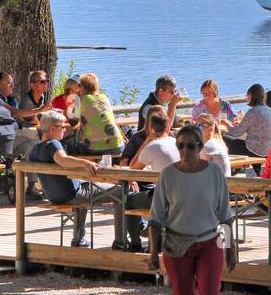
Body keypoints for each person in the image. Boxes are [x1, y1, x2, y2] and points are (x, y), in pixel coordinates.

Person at [149, 124, 235, 295]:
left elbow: (226, 216)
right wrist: (153, 253)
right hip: (176, 246)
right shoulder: (168, 176)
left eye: (191, 145)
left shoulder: (214, 174)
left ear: (201, 148)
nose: (185, 151)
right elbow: (155, 219)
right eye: (181, 146)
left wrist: (232, 251)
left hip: (209, 241)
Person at [28, 110, 127, 249]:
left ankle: (79, 240)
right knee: (120, 192)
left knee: (86, 185)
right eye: (63, 127)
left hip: (53, 195)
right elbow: (62, 159)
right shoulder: (53, 144)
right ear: (52, 128)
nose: (65, 130)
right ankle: (120, 242)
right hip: (73, 194)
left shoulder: (35, 150)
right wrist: (85, 163)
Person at [128, 111, 182, 251]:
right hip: (181, 194)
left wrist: (146, 141)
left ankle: (135, 243)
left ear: (151, 128)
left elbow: (132, 169)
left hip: (162, 198)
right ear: (167, 128)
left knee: (128, 199)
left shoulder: (153, 146)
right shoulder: (176, 142)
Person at [70, 73, 125, 159]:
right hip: (117, 145)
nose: (78, 88)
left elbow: (73, 122)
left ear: (83, 87)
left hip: (94, 148)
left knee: (74, 147)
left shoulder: (80, 100)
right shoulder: (104, 97)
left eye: (79, 85)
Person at [225, 84, 271, 157]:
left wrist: (226, 124)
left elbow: (237, 133)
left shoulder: (253, 111)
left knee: (223, 138)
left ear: (251, 96)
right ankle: (255, 166)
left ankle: (232, 167)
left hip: (254, 151)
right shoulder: (270, 110)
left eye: (248, 95)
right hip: (269, 151)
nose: (247, 98)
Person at [13, 69, 53, 157]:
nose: (46, 83)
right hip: (24, 132)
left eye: (47, 81)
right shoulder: (27, 101)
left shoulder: (41, 97)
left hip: (36, 129)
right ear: (33, 85)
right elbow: (20, 121)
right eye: (42, 81)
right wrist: (30, 122)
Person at [195, 114, 232, 178]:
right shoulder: (215, 142)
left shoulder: (209, 146)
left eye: (201, 126)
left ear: (212, 127)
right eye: (196, 126)